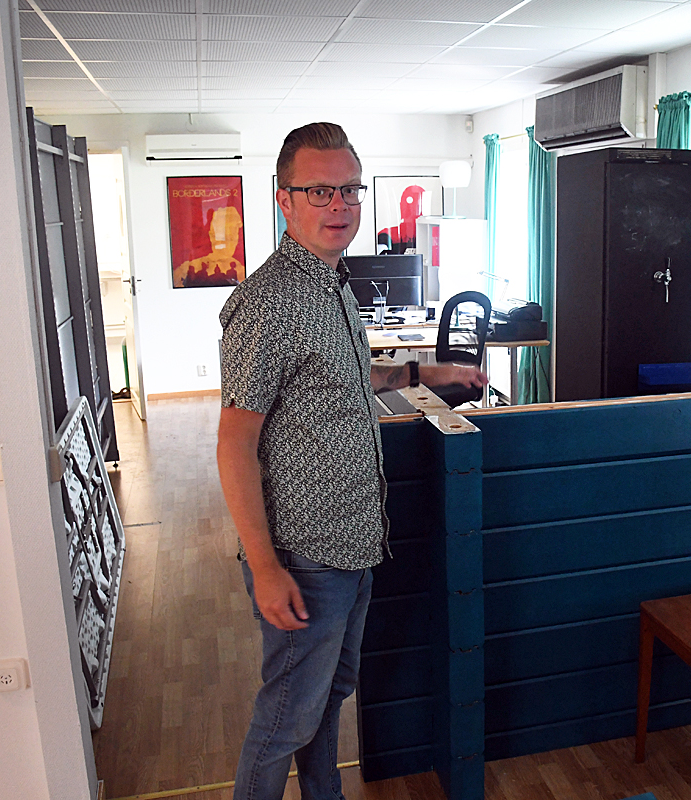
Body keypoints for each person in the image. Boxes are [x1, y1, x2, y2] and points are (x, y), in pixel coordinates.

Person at [216, 122, 486, 800]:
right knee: (286, 717)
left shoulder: (333, 283)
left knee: (329, 694)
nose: (339, 205)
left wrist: (429, 371)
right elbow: (234, 442)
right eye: (320, 191)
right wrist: (267, 567)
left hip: (355, 540)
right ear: (285, 200)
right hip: (304, 554)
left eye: (350, 190)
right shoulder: (270, 302)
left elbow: (345, 376)